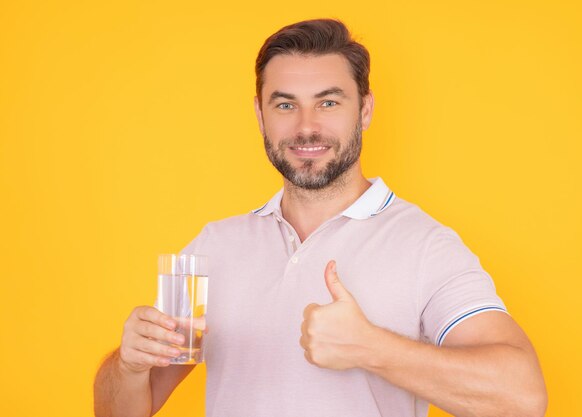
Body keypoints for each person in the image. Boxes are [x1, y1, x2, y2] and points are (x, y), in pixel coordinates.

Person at [94, 19, 547, 417]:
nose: (306, 127)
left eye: (328, 103)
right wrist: (130, 365)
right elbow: (121, 411)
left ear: (364, 111)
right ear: (260, 115)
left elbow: (523, 399)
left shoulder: (425, 245)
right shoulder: (215, 246)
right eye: (285, 104)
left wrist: (373, 349)